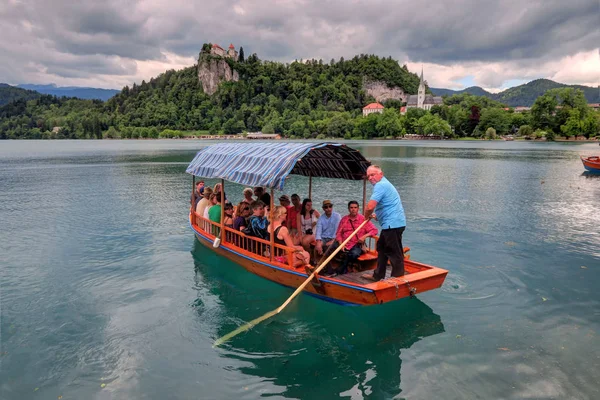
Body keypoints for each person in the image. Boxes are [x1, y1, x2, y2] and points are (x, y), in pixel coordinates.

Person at [362, 165, 407, 281]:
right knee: (382, 247)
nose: (370, 178)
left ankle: (398, 278)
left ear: (381, 174)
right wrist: (378, 215)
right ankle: (378, 275)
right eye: (368, 176)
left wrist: (365, 217)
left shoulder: (381, 185)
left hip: (393, 224)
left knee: (394, 252)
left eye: (373, 175)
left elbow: (370, 206)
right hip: (391, 223)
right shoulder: (384, 184)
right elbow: (388, 204)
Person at [328, 201, 378, 276]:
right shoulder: (344, 219)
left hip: (356, 244)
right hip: (344, 243)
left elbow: (374, 230)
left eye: (355, 208)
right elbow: (338, 233)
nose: (353, 209)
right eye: (351, 208)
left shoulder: (363, 219)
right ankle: (329, 269)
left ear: (358, 209)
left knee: (354, 254)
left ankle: (341, 269)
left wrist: (364, 236)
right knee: (327, 248)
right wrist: (341, 244)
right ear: (348, 209)